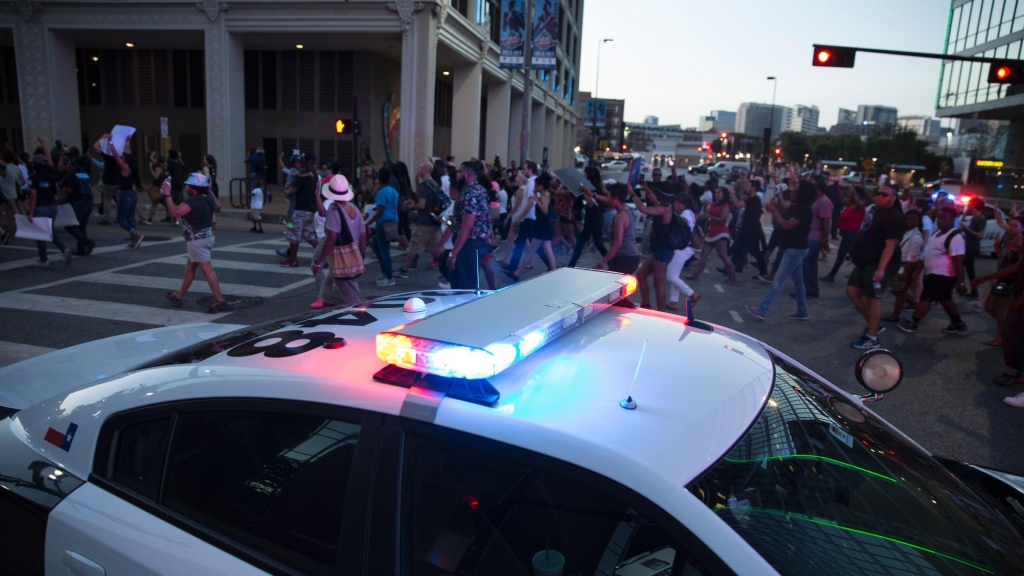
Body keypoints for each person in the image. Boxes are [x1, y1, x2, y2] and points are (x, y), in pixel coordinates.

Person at [745, 181, 815, 321]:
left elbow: (786, 225)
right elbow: (784, 217)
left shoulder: (804, 210)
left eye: (796, 191)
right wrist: (776, 209)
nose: (793, 193)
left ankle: (762, 309)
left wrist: (774, 211)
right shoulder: (797, 207)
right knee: (798, 281)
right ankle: (802, 310)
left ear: (803, 194)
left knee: (779, 279)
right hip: (792, 247)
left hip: (795, 249)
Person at [846, 185, 904, 349]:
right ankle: (875, 325)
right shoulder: (877, 212)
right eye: (878, 193)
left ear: (894, 197)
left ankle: (872, 338)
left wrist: (881, 269)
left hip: (878, 263)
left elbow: (890, 245)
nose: (880, 196)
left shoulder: (893, 217)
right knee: (852, 291)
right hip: (865, 261)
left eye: (884, 194)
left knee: (873, 299)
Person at [161, 173, 227, 313]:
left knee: (207, 270)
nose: (186, 188)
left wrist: (167, 194)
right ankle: (179, 296)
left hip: (198, 241)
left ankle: (220, 301)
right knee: (190, 269)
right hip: (206, 237)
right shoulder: (208, 198)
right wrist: (210, 191)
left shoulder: (193, 201)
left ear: (193, 189)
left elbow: (174, 212)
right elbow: (218, 208)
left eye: (188, 186)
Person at [898, 206, 968, 335]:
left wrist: (961, 283)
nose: (940, 220)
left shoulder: (955, 238)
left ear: (953, 219)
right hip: (933, 273)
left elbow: (958, 263)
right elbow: (928, 254)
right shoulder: (937, 234)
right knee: (945, 299)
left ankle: (914, 322)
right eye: (938, 218)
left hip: (943, 275)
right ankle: (957, 323)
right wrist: (919, 269)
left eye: (943, 218)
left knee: (926, 298)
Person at [312, 175, 367, 307]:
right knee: (327, 294)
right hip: (348, 259)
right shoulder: (355, 210)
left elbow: (332, 237)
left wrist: (319, 262)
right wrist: (360, 256)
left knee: (354, 302)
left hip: (341, 261)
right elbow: (363, 236)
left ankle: (362, 324)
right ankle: (328, 314)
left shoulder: (334, 209)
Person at [629, 187, 685, 311]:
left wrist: (632, 194)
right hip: (658, 251)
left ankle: (661, 313)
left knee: (658, 284)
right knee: (641, 275)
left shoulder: (664, 210)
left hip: (663, 251)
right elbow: (653, 199)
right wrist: (645, 188)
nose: (654, 195)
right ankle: (646, 305)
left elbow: (643, 209)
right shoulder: (662, 206)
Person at [973, 217, 1023, 346]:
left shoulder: (1020, 243)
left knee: (1001, 311)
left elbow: (1019, 266)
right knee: (989, 307)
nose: (1011, 227)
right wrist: (996, 246)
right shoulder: (1010, 241)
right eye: (1010, 224)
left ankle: (1001, 338)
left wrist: (1017, 250)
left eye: (1015, 226)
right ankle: (1008, 329)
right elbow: (1003, 258)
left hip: (1010, 281)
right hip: (1000, 278)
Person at [447, 161, 493, 289]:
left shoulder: (469, 194)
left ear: (467, 175)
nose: (457, 175)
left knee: (466, 286)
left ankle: (467, 307)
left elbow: (467, 226)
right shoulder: (481, 189)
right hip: (480, 240)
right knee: (461, 279)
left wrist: (453, 253)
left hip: (470, 243)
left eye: (460, 172)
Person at [26, 145, 73, 266]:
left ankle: (43, 259)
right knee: (49, 231)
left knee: (41, 234)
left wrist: (30, 213)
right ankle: (64, 249)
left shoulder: (34, 178)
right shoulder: (51, 176)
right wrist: (44, 144)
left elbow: (33, 196)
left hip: (41, 208)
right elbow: (49, 161)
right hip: (52, 206)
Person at [507, 172, 557, 283]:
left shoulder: (544, 196)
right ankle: (554, 272)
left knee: (531, 251)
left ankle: (517, 273)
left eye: (536, 185)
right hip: (543, 226)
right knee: (546, 250)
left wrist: (535, 199)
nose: (534, 187)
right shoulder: (545, 195)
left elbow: (545, 210)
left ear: (541, 186)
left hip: (542, 226)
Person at [398, 162, 442, 277]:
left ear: (425, 170)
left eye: (420, 167)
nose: (418, 169)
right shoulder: (434, 184)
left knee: (414, 246)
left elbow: (422, 206)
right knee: (436, 247)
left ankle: (405, 269)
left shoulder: (424, 186)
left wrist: (412, 206)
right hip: (435, 220)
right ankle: (447, 267)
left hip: (424, 222)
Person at [686, 187, 735, 283]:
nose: (717, 194)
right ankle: (695, 274)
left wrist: (709, 216)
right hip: (711, 232)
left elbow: (722, 219)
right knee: (703, 254)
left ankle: (731, 276)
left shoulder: (726, 206)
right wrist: (705, 209)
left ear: (724, 195)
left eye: (719, 193)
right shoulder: (713, 204)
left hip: (721, 233)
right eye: (716, 193)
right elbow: (707, 213)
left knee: (723, 255)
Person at [884, 211, 926, 324]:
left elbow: (912, 257)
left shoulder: (916, 237)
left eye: (913, 219)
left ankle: (895, 315)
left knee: (900, 292)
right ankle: (917, 307)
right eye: (908, 218)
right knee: (898, 290)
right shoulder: (906, 233)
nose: (909, 221)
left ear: (918, 222)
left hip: (906, 266)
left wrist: (906, 272)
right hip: (900, 264)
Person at [106, 134, 145, 249]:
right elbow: (127, 152)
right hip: (132, 195)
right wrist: (126, 140)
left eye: (123, 157)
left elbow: (115, 156)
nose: (122, 157)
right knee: (130, 218)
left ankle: (137, 235)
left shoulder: (125, 168)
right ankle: (135, 241)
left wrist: (111, 142)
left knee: (121, 219)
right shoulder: (132, 166)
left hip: (125, 195)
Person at [280, 156, 320, 268]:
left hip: (299, 209)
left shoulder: (301, 176)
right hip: (311, 209)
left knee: (294, 235)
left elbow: (293, 191)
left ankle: (293, 260)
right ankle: (323, 257)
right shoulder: (315, 176)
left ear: (304, 163)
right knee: (308, 235)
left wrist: (287, 193)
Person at [364, 165, 400, 286]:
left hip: (383, 222)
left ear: (379, 179)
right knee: (376, 246)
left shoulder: (381, 192)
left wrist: (368, 223)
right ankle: (385, 272)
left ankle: (388, 276)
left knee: (383, 250)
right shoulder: (393, 191)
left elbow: (380, 211)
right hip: (393, 220)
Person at [595, 184, 641, 274]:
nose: (606, 200)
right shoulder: (628, 209)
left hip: (625, 257)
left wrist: (601, 264)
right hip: (632, 256)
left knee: (612, 286)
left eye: (608, 197)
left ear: (616, 199)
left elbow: (617, 244)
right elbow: (607, 200)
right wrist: (593, 195)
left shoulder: (620, 216)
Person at [568, 166, 608, 268]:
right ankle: (611, 262)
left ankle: (571, 264)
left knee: (581, 242)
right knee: (598, 242)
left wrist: (586, 193)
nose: (584, 176)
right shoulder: (595, 186)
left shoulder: (594, 188)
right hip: (594, 217)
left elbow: (591, 203)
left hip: (593, 219)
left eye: (585, 174)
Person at [821, 190, 864, 282]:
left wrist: (856, 192)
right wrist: (837, 187)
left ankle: (832, 275)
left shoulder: (860, 206)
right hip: (846, 233)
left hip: (851, 234)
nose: (851, 195)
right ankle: (861, 274)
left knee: (842, 255)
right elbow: (841, 197)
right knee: (854, 255)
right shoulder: (850, 205)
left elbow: (857, 202)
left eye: (854, 194)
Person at [57, 155, 96, 256]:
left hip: (77, 202)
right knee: (81, 226)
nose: (68, 165)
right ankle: (81, 249)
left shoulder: (71, 175)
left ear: (74, 166)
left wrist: (57, 202)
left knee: (70, 226)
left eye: (70, 164)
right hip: (89, 201)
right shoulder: (86, 174)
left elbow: (67, 191)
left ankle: (87, 242)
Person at [666, 194, 700, 310]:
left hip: (683, 249)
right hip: (685, 248)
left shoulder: (686, 213)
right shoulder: (689, 212)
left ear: (682, 203)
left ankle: (692, 293)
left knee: (670, 276)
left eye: (676, 202)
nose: (675, 204)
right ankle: (673, 301)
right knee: (675, 275)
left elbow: (683, 223)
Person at [729, 181, 767, 279]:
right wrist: (742, 221)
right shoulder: (752, 199)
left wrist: (732, 194)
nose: (748, 187)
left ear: (754, 188)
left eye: (749, 186)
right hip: (746, 228)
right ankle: (729, 268)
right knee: (737, 247)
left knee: (755, 251)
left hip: (752, 230)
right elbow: (751, 213)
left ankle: (763, 272)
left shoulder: (754, 199)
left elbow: (738, 204)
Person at [505, 161, 538, 272]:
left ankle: (514, 267)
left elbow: (530, 203)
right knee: (522, 242)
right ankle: (514, 266)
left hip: (528, 217)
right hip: (528, 217)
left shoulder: (531, 183)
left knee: (522, 242)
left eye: (525, 169)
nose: (524, 171)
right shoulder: (531, 183)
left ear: (530, 169)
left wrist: (520, 217)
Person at [803, 181, 833, 298]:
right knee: (810, 265)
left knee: (807, 264)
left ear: (819, 189)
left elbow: (826, 223)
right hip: (812, 236)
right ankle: (811, 289)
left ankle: (808, 289)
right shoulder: (818, 201)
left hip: (815, 238)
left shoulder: (824, 202)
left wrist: (825, 240)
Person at [960, 198, 987, 299]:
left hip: (972, 247)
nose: (968, 206)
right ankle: (971, 291)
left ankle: (973, 292)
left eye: (970, 204)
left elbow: (980, 235)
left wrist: (967, 229)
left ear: (974, 206)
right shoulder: (973, 218)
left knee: (969, 271)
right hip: (967, 246)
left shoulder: (981, 219)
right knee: (965, 269)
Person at [93, 135, 120, 225]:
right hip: (117, 181)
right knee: (119, 200)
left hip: (108, 181)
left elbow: (95, 146)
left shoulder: (108, 156)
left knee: (107, 200)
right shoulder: (119, 156)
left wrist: (102, 138)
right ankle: (122, 216)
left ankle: (106, 218)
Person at [0, 150, 25, 242]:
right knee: (10, 210)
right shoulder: (16, 168)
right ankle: (9, 228)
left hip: (7, 192)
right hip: (15, 191)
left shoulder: (5, 168)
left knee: (15, 211)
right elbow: (23, 181)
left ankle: (22, 228)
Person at [166, 149, 187, 219]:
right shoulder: (179, 164)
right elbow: (184, 167)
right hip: (179, 186)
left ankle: (174, 218)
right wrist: (180, 158)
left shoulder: (169, 163)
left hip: (172, 186)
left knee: (171, 202)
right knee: (180, 203)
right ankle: (184, 218)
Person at [203, 154, 220, 229]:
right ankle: (214, 222)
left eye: (204, 159)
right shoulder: (214, 168)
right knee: (212, 203)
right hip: (215, 186)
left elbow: (206, 178)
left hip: (209, 186)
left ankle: (209, 221)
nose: (203, 160)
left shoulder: (205, 168)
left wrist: (200, 176)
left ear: (207, 161)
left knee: (207, 203)